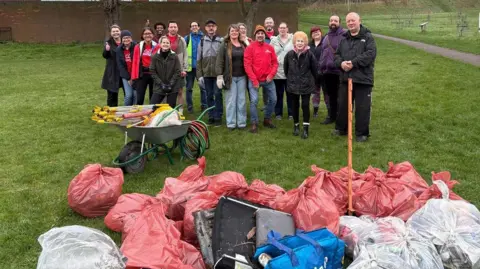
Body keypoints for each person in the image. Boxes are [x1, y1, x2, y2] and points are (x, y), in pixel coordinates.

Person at [333, 12, 377, 142]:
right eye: (348, 21)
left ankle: (361, 133)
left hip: (363, 79)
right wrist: (341, 63)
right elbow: (336, 55)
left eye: (353, 20)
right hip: (346, 78)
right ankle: (341, 128)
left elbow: (370, 54)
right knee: (343, 105)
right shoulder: (344, 38)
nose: (351, 23)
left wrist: (353, 63)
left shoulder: (368, 37)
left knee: (362, 108)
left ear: (359, 21)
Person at [244, 25, 278, 133]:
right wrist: (254, 80)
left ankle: (267, 119)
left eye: (262, 33)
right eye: (258, 33)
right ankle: (254, 123)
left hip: (268, 79)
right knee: (254, 101)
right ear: (255, 35)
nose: (260, 35)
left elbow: (275, 63)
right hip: (254, 80)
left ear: (264, 35)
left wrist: (271, 75)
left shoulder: (270, 48)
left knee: (273, 99)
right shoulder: (250, 48)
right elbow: (247, 65)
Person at [284, 31, 317, 139]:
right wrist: (292, 79)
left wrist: (310, 81)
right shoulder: (289, 54)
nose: (299, 43)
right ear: (294, 42)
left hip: (306, 85)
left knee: (305, 105)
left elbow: (314, 70)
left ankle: (306, 129)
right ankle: (296, 126)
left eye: (302, 41)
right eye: (298, 41)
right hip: (293, 85)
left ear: (305, 43)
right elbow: (286, 69)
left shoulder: (310, 55)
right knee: (294, 106)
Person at [216, 24, 248, 130]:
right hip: (230, 77)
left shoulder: (243, 44)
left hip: (242, 77)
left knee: (241, 100)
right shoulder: (224, 44)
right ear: (229, 32)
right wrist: (219, 76)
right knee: (231, 101)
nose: (234, 32)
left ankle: (241, 122)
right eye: (232, 31)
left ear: (239, 32)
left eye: (236, 31)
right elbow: (220, 60)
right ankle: (231, 123)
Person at [196, 19, 224, 126]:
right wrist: (199, 76)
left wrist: (222, 74)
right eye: (208, 26)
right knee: (209, 95)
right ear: (206, 28)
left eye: (213, 26)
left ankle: (218, 116)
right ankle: (211, 116)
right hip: (206, 74)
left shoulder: (221, 41)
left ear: (216, 28)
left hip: (218, 75)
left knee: (217, 94)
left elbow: (223, 59)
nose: (211, 28)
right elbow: (198, 59)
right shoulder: (202, 41)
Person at [320, 15, 346, 125]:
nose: (333, 22)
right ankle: (331, 116)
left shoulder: (344, 35)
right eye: (331, 20)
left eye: (335, 20)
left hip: (339, 71)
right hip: (327, 71)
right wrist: (321, 65)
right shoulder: (326, 36)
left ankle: (341, 118)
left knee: (341, 97)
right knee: (331, 96)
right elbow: (323, 52)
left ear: (339, 22)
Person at [150, 36, 183, 107]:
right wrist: (161, 84)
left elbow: (177, 71)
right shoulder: (154, 56)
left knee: (170, 108)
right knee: (153, 106)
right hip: (159, 86)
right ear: (160, 44)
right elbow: (152, 71)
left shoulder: (174, 56)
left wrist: (171, 83)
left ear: (170, 45)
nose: (165, 44)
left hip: (173, 86)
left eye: (167, 43)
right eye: (163, 42)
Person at [270, 22, 293, 120]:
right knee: (278, 94)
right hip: (277, 71)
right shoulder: (274, 40)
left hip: (290, 71)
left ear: (287, 29)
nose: (282, 30)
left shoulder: (293, 39)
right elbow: (270, 54)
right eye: (281, 28)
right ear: (278, 29)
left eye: (284, 28)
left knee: (290, 94)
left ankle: (291, 113)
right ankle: (278, 113)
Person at [132, 27, 158, 105]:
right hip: (142, 74)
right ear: (142, 36)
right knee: (139, 98)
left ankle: (152, 114)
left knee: (153, 97)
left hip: (153, 74)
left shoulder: (157, 46)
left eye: (149, 33)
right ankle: (139, 113)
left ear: (153, 35)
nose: (147, 35)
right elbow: (135, 62)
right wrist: (134, 77)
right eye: (145, 34)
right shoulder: (138, 46)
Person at [166, 21, 188, 113]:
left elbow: (185, 54)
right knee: (165, 91)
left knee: (179, 91)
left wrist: (184, 69)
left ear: (177, 28)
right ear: (168, 28)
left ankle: (180, 111)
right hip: (166, 70)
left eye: (175, 27)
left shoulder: (181, 39)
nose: (173, 28)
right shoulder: (163, 39)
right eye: (171, 27)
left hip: (179, 70)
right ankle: (167, 111)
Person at [184, 21, 206, 113]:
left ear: (199, 27)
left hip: (201, 67)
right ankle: (190, 107)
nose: (194, 27)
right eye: (192, 26)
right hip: (190, 68)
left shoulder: (204, 37)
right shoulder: (187, 38)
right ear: (190, 28)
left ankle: (204, 106)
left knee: (203, 88)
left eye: (196, 25)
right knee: (189, 88)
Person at [309, 26, 328, 120]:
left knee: (327, 93)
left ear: (321, 32)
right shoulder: (309, 45)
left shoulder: (326, 42)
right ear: (311, 35)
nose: (316, 33)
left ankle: (330, 112)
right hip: (313, 74)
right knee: (315, 93)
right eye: (313, 32)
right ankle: (315, 111)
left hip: (325, 73)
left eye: (317, 31)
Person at [101, 24, 123, 107]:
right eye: (113, 31)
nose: (115, 33)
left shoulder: (125, 41)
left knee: (129, 94)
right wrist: (107, 50)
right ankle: (111, 112)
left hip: (124, 70)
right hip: (113, 71)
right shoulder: (109, 43)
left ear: (120, 32)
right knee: (112, 94)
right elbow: (105, 56)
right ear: (111, 33)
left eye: (117, 31)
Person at [116, 30, 137, 106]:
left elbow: (138, 62)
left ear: (131, 39)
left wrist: (134, 77)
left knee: (135, 95)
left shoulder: (136, 47)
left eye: (128, 37)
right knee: (128, 95)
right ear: (122, 39)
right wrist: (128, 78)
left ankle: (135, 111)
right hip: (126, 75)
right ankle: (125, 111)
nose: (126, 39)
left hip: (136, 75)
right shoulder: (119, 49)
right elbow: (120, 65)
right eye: (124, 38)